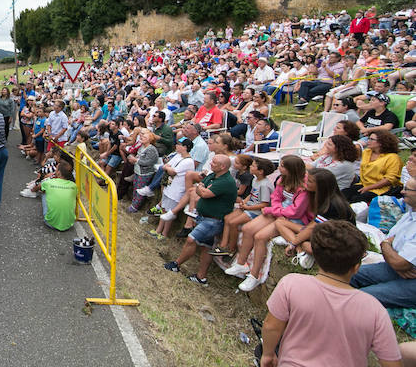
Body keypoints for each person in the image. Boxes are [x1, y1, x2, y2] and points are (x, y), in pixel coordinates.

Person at [260, 220, 402, 367]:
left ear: (317, 258)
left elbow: (271, 326)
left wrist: (268, 354)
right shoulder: (374, 309)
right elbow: (392, 362)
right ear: (356, 267)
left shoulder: (290, 284)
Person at [227, 155, 312, 292]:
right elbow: (276, 197)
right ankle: (241, 263)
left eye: (282, 166)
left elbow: (296, 211)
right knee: (248, 228)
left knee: (260, 237)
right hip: (279, 210)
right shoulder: (281, 179)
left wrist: (274, 210)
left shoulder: (304, 187)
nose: (279, 168)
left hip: (292, 217)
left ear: (292, 170)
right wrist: (275, 209)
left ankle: (254, 276)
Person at [163, 154, 238, 286]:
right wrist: (201, 188)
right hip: (204, 217)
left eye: (214, 163)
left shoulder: (225, 182)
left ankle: (176, 264)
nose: (211, 164)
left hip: (214, 220)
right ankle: (201, 277)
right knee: (205, 246)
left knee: (191, 239)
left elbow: (204, 193)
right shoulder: (213, 175)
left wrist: (201, 189)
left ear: (223, 167)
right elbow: (200, 187)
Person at [351, 177, 416, 308]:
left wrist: (393, 255)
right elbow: (387, 240)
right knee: (347, 275)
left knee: (362, 297)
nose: (402, 192)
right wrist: (387, 245)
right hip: (393, 268)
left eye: (407, 189)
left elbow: (400, 263)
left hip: (411, 280)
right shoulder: (410, 214)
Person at [344, 131, 402, 203]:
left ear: (381, 142)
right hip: (363, 184)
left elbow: (390, 179)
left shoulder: (393, 158)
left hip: (381, 189)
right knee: (342, 194)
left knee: (356, 200)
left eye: (371, 139)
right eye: (368, 138)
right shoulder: (366, 152)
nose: (368, 141)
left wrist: (369, 188)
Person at [26, 159, 77, 231]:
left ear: (58, 173)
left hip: (50, 223)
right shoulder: (74, 185)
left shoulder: (49, 182)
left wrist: (32, 190)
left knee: (44, 192)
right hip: (69, 224)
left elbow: (37, 187)